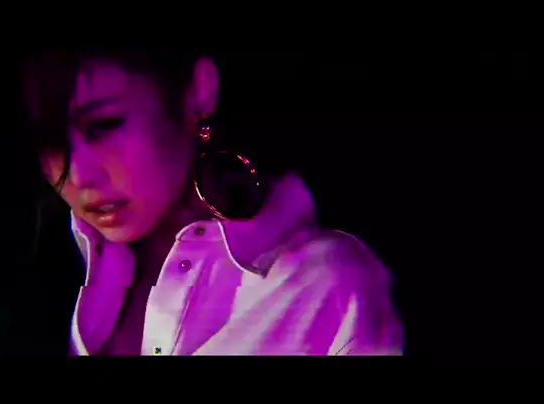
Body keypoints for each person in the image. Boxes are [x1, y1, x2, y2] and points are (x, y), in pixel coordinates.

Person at [23, 48, 403, 356]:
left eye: (103, 125)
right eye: (49, 140)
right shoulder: (34, 276)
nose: (78, 175)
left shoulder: (327, 289)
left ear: (198, 91)